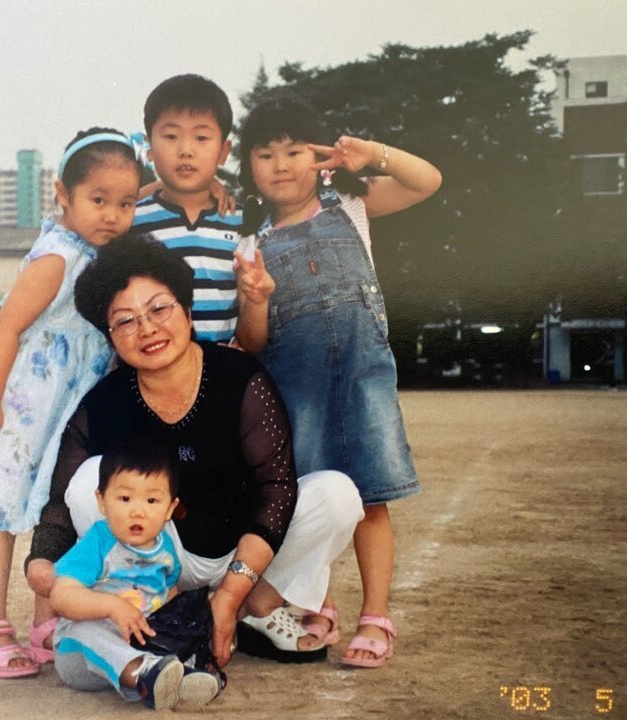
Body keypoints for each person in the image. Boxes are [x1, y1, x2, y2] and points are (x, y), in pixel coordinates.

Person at [24, 235, 365, 670]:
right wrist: (42, 565)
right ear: (111, 336)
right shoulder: (105, 402)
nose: (147, 328)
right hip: (159, 557)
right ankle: (156, 612)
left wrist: (229, 594)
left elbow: (276, 488)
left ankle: (255, 606)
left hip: (244, 550)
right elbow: (61, 502)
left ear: (186, 310)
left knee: (337, 494)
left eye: (159, 309)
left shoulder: (240, 378)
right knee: (90, 480)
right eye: (125, 321)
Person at [236, 97, 443, 668]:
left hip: (363, 380)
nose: (281, 164)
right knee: (309, 500)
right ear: (249, 167)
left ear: (321, 158)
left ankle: (375, 616)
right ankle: (312, 602)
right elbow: (252, 341)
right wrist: (254, 302)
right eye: (266, 153)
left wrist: (369, 153)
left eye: (295, 150)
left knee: (372, 499)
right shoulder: (250, 245)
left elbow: (427, 180)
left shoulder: (353, 205)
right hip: (293, 389)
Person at [0, 128, 142, 679]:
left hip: (64, 418)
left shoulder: (97, 256)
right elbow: (6, 327)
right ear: (65, 194)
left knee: (53, 513)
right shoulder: (57, 258)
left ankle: (46, 625)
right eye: (98, 200)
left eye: (125, 203)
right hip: (19, 415)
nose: (112, 215)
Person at [49, 434, 223, 710]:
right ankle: (145, 674)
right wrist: (111, 607)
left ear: (170, 509)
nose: (138, 511)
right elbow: (60, 595)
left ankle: (172, 676)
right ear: (102, 501)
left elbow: (170, 594)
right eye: (125, 498)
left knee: (173, 630)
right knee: (85, 630)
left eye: (152, 501)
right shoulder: (99, 542)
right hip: (83, 655)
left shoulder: (166, 549)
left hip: (139, 642)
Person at [133, 74, 262, 348]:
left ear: (224, 151)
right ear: (150, 147)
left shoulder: (242, 224)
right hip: (151, 375)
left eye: (201, 137)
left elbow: (252, 336)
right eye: (171, 136)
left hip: (220, 378)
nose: (186, 150)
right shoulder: (132, 222)